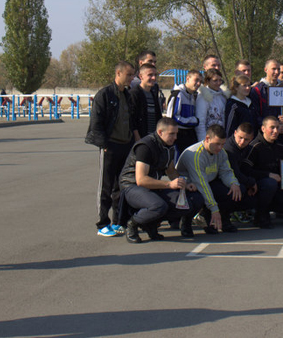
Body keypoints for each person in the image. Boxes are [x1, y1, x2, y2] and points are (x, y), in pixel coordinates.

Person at [118, 118, 203, 243]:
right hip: (132, 187)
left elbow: (171, 171)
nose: (175, 137)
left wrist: (184, 184)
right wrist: (169, 184)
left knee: (194, 199)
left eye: (176, 133)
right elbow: (141, 180)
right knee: (158, 206)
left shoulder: (169, 146)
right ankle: (133, 223)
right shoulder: (145, 146)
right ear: (160, 132)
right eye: (171, 134)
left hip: (153, 186)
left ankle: (156, 224)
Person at [85, 61, 136, 237]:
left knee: (120, 186)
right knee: (105, 186)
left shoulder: (127, 95)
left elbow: (131, 120)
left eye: (133, 75)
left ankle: (118, 221)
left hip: (125, 145)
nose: (132, 78)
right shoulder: (104, 95)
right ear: (118, 73)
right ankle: (102, 223)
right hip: (110, 146)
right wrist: (104, 145)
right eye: (129, 74)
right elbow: (96, 122)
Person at [176, 124, 243, 235]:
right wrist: (214, 209)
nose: (220, 148)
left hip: (208, 182)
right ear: (207, 139)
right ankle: (186, 222)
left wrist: (233, 183)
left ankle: (220, 219)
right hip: (190, 186)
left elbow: (226, 171)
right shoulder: (196, 155)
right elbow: (201, 184)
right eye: (217, 144)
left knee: (234, 190)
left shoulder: (221, 152)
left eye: (222, 144)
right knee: (197, 198)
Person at [242, 116, 283, 228]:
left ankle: (274, 209)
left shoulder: (281, 147)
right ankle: (261, 214)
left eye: (277, 128)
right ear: (263, 129)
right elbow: (245, 170)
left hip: (277, 188)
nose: (275, 131)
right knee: (270, 183)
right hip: (257, 188)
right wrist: (268, 175)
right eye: (272, 127)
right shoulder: (254, 147)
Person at [252, 59, 283, 144]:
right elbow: (255, 115)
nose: (276, 72)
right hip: (264, 137)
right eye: (274, 69)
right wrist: (271, 127)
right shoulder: (257, 90)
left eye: (278, 69)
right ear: (266, 70)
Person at [166, 69, 202, 154]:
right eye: (196, 80)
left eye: (200, 81)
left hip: (190, 134)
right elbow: (172, 117)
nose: (198, 83)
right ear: (188, 78)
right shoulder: (178, 94)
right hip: (179, 135)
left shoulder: (193, 96)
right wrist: (193, 121)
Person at [195, 68, 230, 142]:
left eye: (220, 80)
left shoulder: (223, 97)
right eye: (215, 80)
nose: (218, 83)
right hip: (208, 138)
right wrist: (203, 141)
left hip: (221, 137)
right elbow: (200, 122)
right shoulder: (203, 97)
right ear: (208, 81)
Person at [129, 64, 162, 140]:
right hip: (141, 138)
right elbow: (132, 119)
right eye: (150, 75)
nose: (153, 78)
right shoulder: (134, 94)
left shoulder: (153, 94)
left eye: (155, 75)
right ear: (141, 76)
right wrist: (137, 138)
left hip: (153, 138)